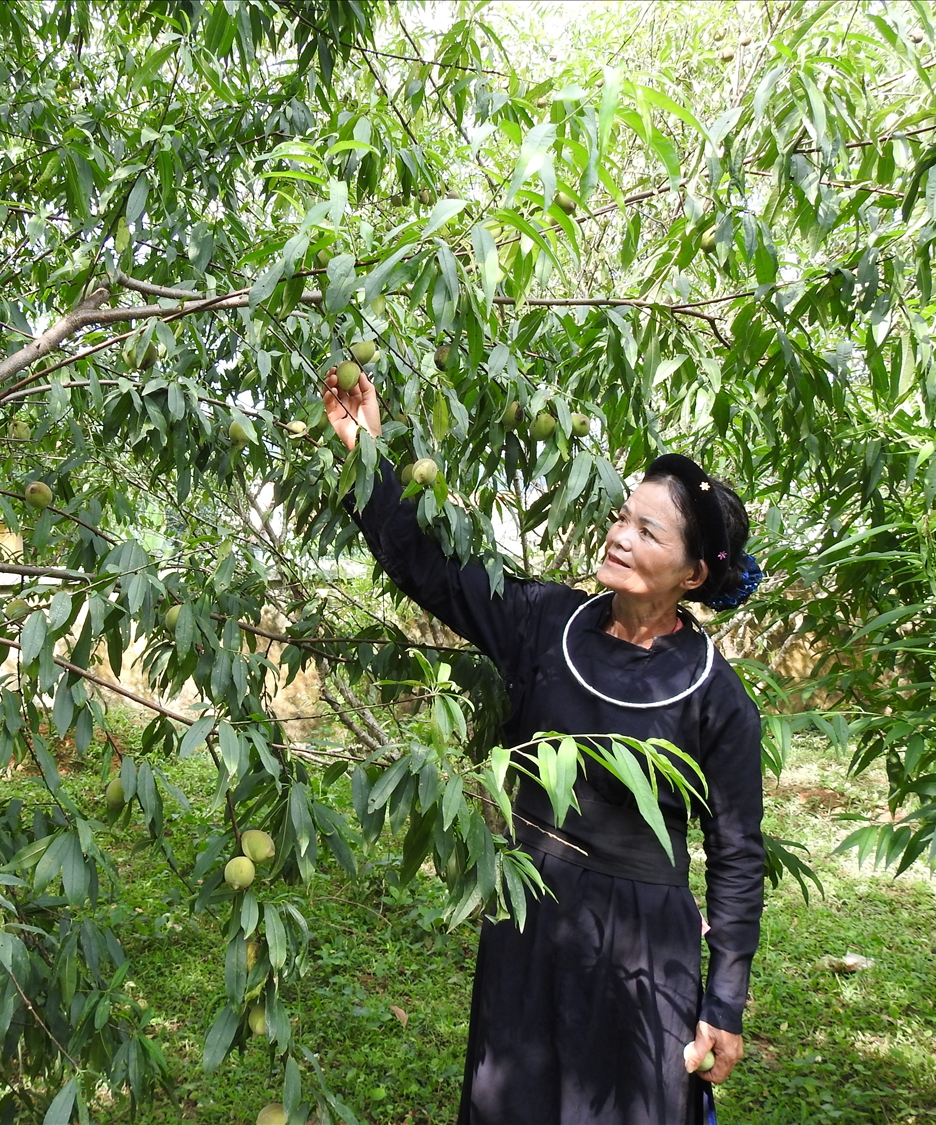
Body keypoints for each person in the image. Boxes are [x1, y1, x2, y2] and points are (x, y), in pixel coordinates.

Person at [323, 370, 765, 1125]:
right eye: (623, 515)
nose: (619, 535)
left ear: (693, 574)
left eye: (647, 531)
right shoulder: (543, 622)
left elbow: (736, 854)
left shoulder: (715, 696)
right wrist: (365, 450)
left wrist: (723, 1000)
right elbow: (433, 570)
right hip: (529, 916)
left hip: (641, 949)